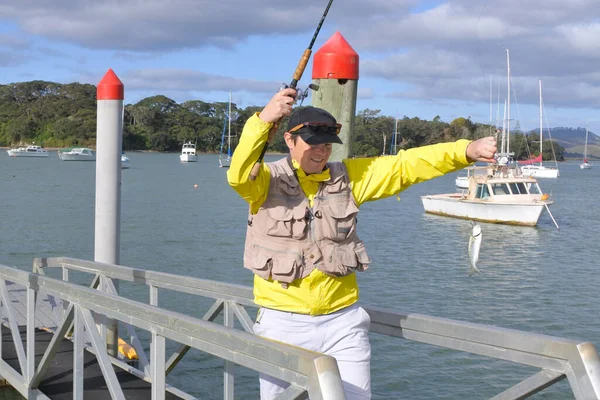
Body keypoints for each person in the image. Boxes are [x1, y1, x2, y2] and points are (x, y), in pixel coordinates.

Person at [227, 88, 497, 400]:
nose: (321, 152)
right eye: (313, 143)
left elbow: (405, 166)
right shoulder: (263, 181)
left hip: (343, 322)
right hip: (282, 324)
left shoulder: (349, 178)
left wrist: (465, 151)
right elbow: (238, 173)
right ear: (290, 140)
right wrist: (263, 120)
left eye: (327, 145)